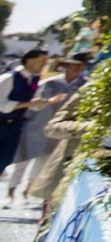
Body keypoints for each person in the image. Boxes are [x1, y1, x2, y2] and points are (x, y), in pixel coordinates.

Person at [4, 51, 90, 203]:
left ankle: (28, 192)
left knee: (42, 164)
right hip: (35, 127)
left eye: (81, 65)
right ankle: (11, 192)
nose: (78, 68)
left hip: (60, 131)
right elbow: (33, 101)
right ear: (67, 65)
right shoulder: (49, 83)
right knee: (22, 160)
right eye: (75, 65)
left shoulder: (85, 86)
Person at [0, 49, 64, 196]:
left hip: (15, 126)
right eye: (42, 61)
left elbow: (32, 103)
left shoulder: (34, 80)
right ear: (29, 61)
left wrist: (47, 102)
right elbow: (2, 105)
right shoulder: (8, 78)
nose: (44, 65)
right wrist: (29, 104)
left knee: (4, 161)